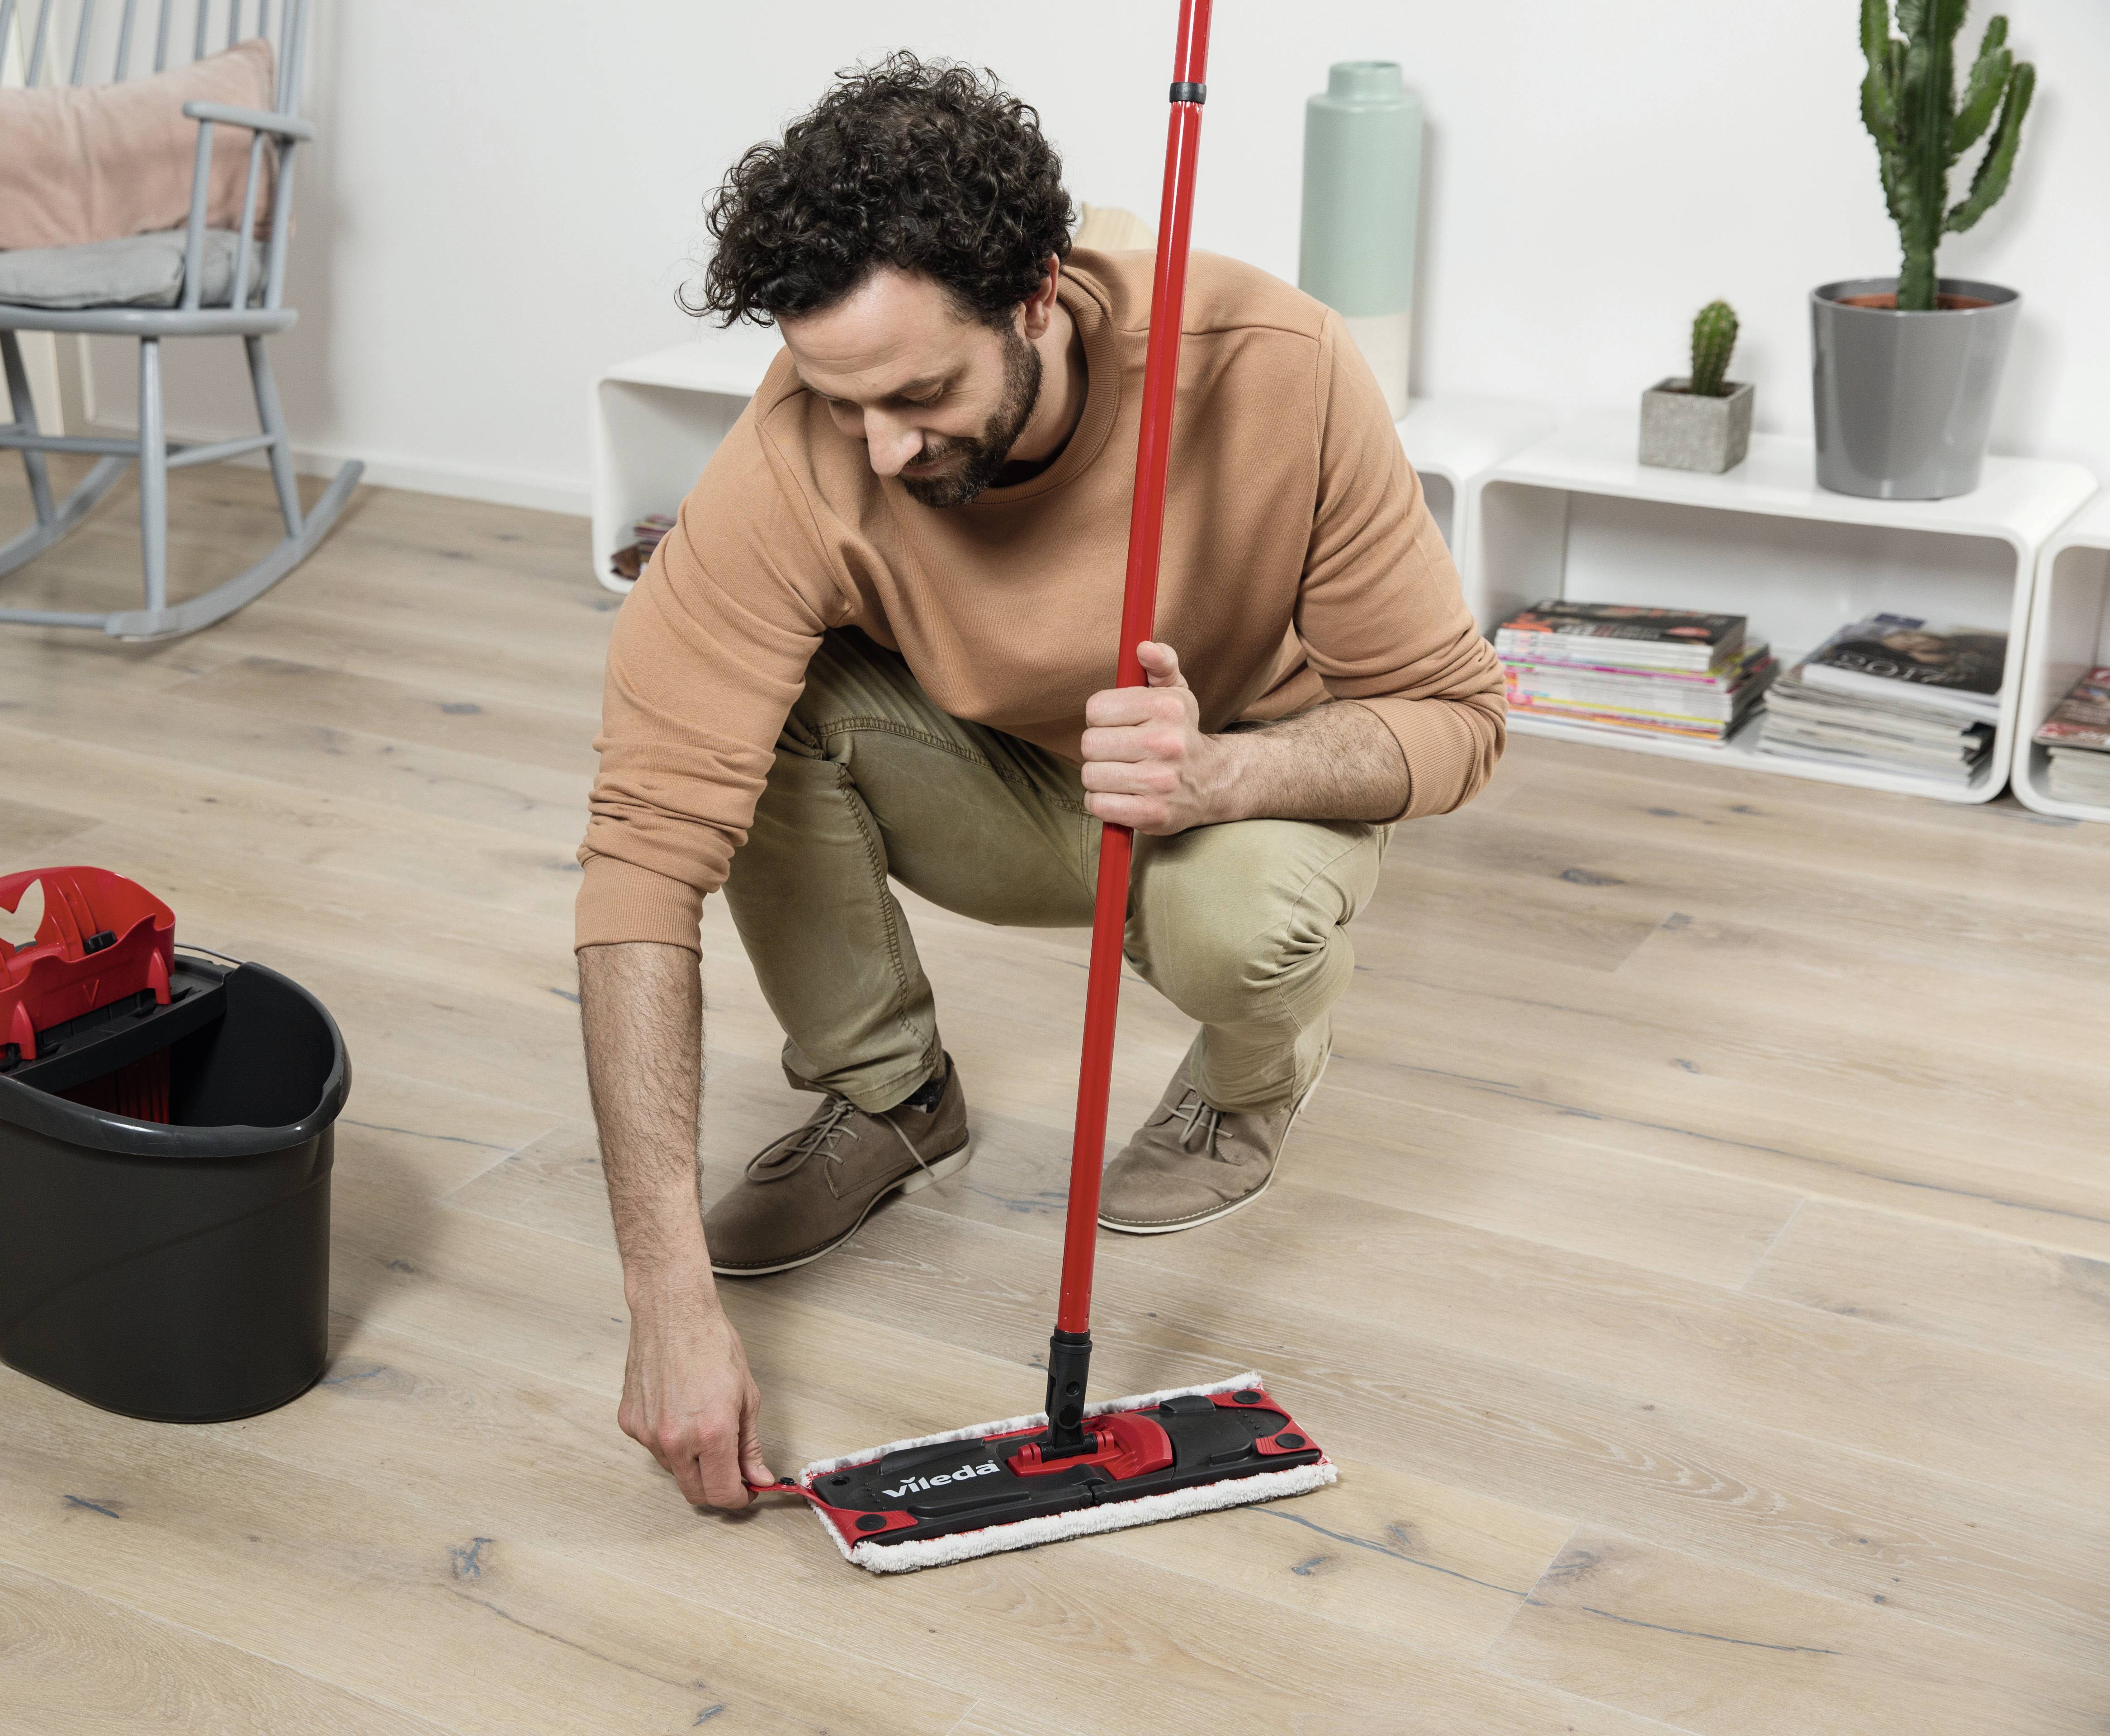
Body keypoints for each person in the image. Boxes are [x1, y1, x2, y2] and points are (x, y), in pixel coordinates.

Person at [574, 56, 1505, 1510]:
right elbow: (641, 851)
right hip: (996, 778)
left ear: (1034, 298)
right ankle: (891, 1099)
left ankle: (1254, 1082)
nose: (880, 446)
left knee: (1233, 920)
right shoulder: (803, 452)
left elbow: (1456, 720)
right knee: (754, 726)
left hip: (1230, 792)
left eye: (921, 392)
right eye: (842, 400)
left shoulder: (1277, 366)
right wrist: (665, 1301)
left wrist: (1220, 771)